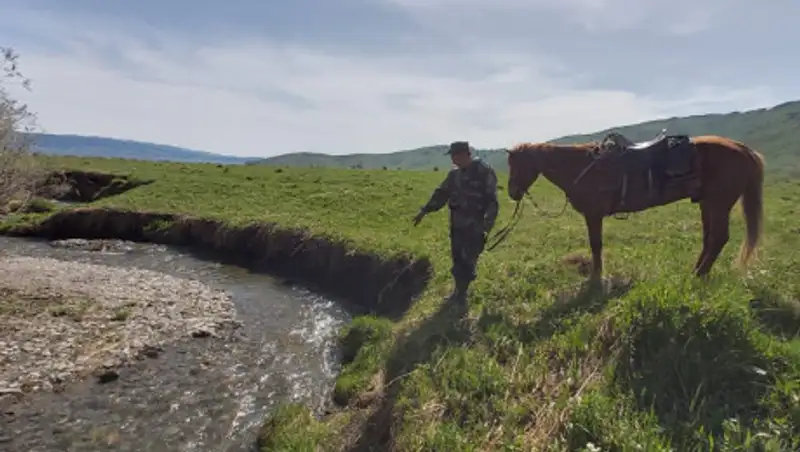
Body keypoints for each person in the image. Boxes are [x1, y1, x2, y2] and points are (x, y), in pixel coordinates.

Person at [412, 141, 499, 304]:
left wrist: (486, 227)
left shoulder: (484, 171)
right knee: (457, 258)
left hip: (475, 226)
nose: (453, 159)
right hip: (457, 224)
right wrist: (424, 211)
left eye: (455, 155)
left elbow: (492, 201)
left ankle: (461, 295)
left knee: (468, 259)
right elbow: (441, 194)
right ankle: (458, 292)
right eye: (452, 156)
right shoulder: (454, 175)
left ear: (465, 154)